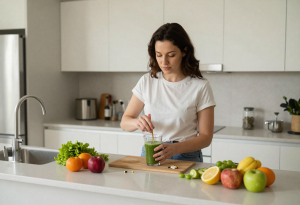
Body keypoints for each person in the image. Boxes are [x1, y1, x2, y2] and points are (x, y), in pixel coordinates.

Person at [120, 23, 216, 163]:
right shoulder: (147, 81)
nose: (164, 62)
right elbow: (124, 122)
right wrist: (137, 122)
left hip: (185, 156)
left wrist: (175, 148)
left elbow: (206, 137)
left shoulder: (200, 86)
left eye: (171, 55)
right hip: (151, 153)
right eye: (159, 55)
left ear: (184, 51)